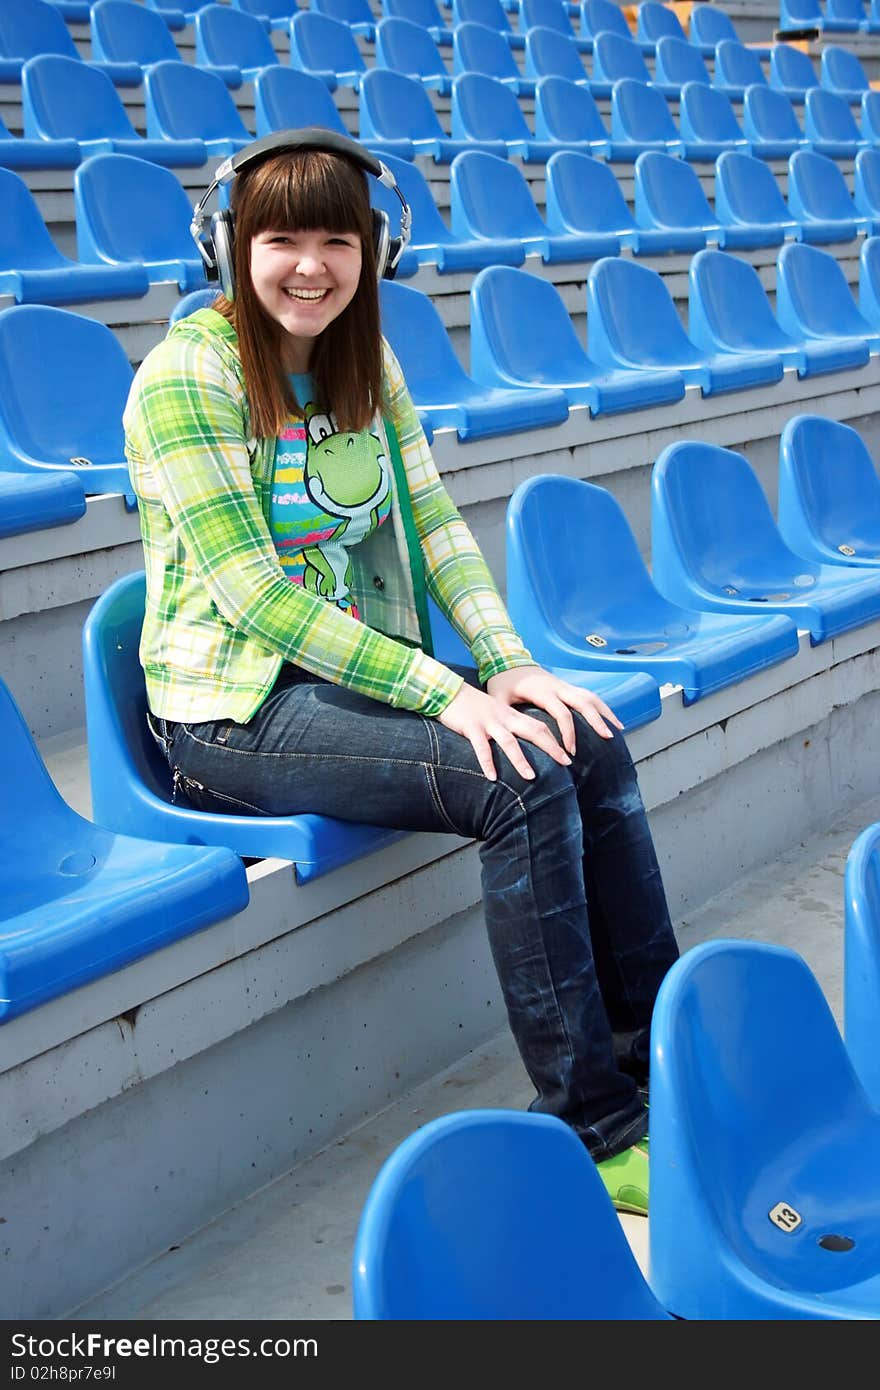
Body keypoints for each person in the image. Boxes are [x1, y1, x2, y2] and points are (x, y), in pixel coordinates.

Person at [123, 129, 679, 1215]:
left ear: (376, 251)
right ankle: (595, 1127)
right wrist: (446, 691)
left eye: (338, 238)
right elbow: (260, 599)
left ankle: (660, 1074)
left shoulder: (364, 359)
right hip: (231, 716)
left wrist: (511, 666)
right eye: (280, 237)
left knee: (586, 736)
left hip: (352, 680)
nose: (310, 265)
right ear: (229, 244)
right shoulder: (183, 377)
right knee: (516, 781)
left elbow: (433, 526)